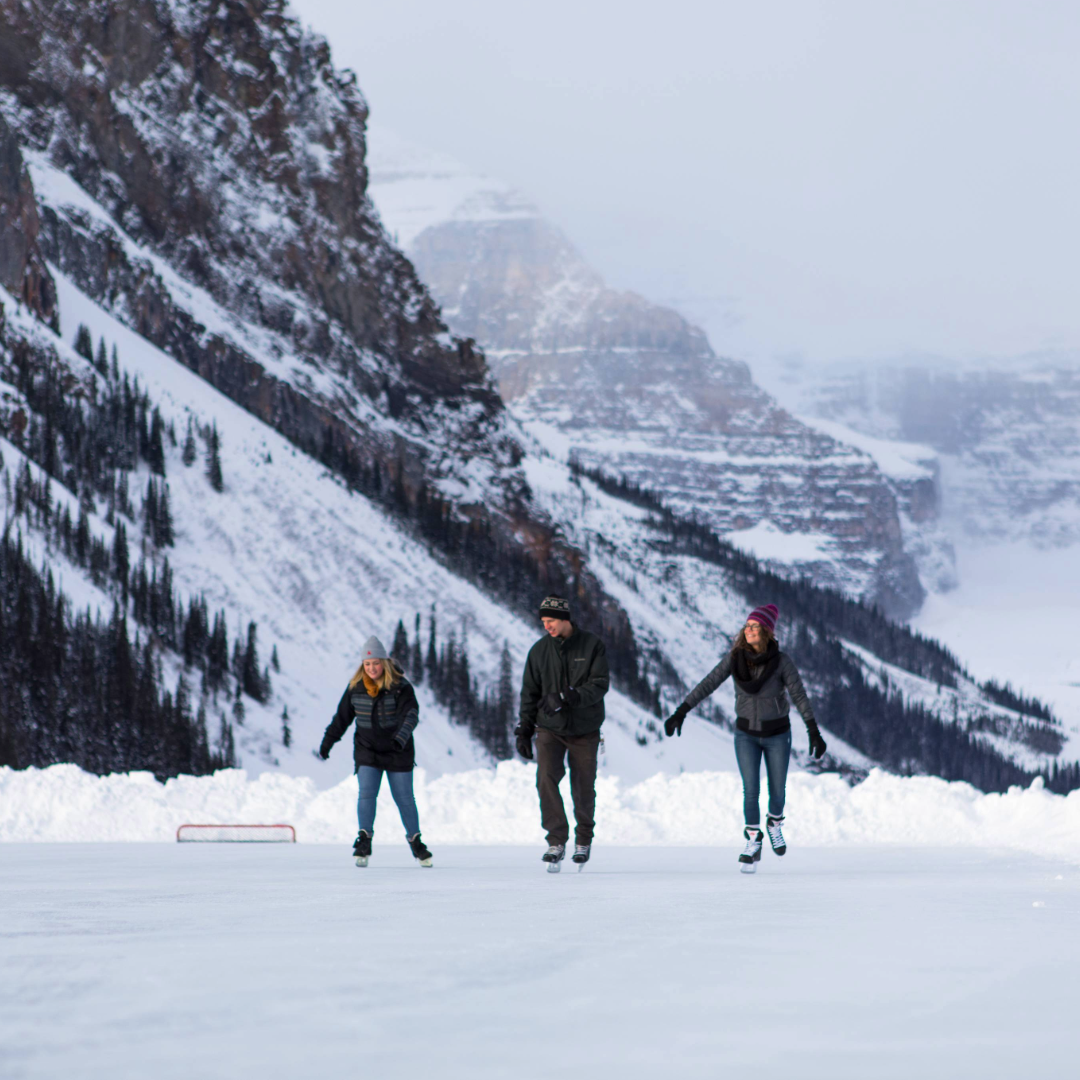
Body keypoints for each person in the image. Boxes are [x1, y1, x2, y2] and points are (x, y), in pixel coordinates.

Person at [663, 604, 826, 873]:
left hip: (777, 734)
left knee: (777, 790)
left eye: (755, 625)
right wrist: (681, 711)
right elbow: (708, 683)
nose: (748, 629)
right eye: (747, 625)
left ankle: (774, 824)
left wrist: (813, 730)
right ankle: (752, 839)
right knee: (750, 791)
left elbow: (799, 695)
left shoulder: (782, 662)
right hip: (746, 735)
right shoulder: (735, 659)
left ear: (766, 632)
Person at [319, 635, 433, 868]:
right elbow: (342, 718)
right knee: (366, 794)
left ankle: (416, 842)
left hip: (397, 750)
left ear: (385, 663)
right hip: (367, 750)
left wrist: (399, 740)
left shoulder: (401, 687)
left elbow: (410, 716)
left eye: (376, 663)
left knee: (404, 798)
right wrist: (328, 741)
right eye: (367, 664)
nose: (371, 668)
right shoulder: (356, 688)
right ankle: (364, 840)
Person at [515, 595, 610, 871]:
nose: (547, 626)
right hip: (549, 728)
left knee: (582, 786)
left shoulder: (592, 645)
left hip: (585, 729)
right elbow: (529, 693)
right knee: (545, 778)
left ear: (565, 618)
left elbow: (600, 684)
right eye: (543, 622)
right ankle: (556, 840)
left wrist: (568, 696)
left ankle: (583, 840)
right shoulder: (539, 651)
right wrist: (524, 728)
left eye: (551, 621)